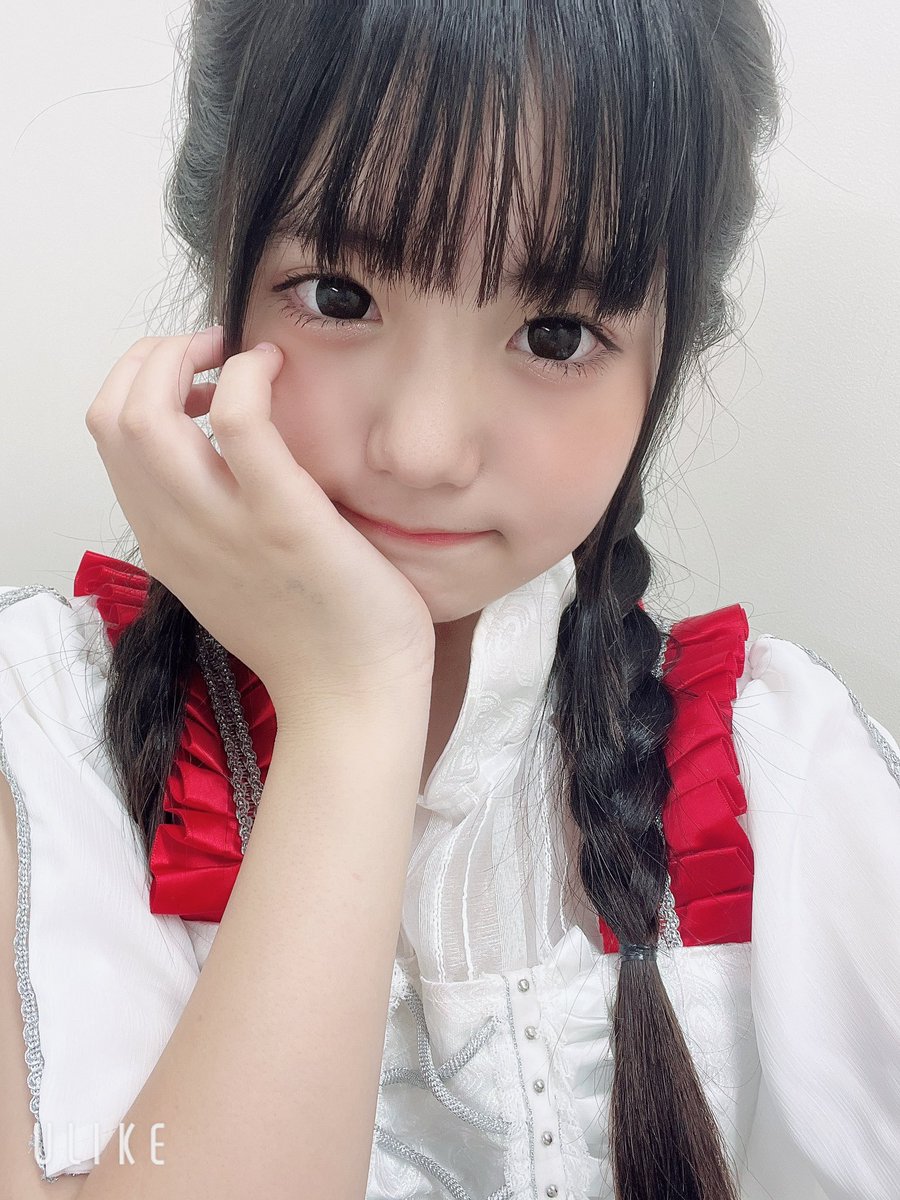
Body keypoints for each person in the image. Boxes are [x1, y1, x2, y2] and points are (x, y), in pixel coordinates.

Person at [1, 1, 898, 1198]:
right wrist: (353, 706)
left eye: (557, 333)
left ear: (669, 354)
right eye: (338, 295)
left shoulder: (785, 782)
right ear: (222, 268)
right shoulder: (39, 744)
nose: (422, 448)